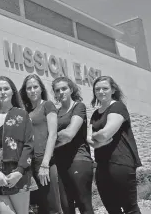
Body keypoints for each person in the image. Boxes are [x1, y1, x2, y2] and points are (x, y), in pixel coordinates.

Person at [88, 76, 142, 214]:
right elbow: (89, 140)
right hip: (102, 165)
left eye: (105, 88)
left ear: (113, 90)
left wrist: (98, 137)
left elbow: (105, 134)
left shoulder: (118, 106)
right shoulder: (95, 114)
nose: (101, 91)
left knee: (130, 208)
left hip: (120, 162)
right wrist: (98, 140)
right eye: (97, 89)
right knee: (112, 209)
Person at [0, 76, 36, 214]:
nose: (2, 92)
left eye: (6, 89)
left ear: (13, 91)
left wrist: (19, 171)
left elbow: (29, 145)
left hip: (17, 173)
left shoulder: (22, 114)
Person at [19, 74, 63, 214]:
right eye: (29, 88)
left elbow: (53, 134)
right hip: (29, 164)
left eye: (35, 87)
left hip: (45, 162)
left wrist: (45, 164)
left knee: (53, 206)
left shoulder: (47, 105)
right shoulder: (25, 111)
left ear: (41, 88)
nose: (32, 90)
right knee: (38, 208)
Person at [52, 77, 94, 214]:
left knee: (84, 205)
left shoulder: (78, 106)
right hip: (59, 163)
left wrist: (51, 142)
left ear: (71, 89)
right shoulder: (56, 113)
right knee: (66, 207)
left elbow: (69, 134)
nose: (61, 92)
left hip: (78, 160)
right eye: (57, 90)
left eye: (64, 88)